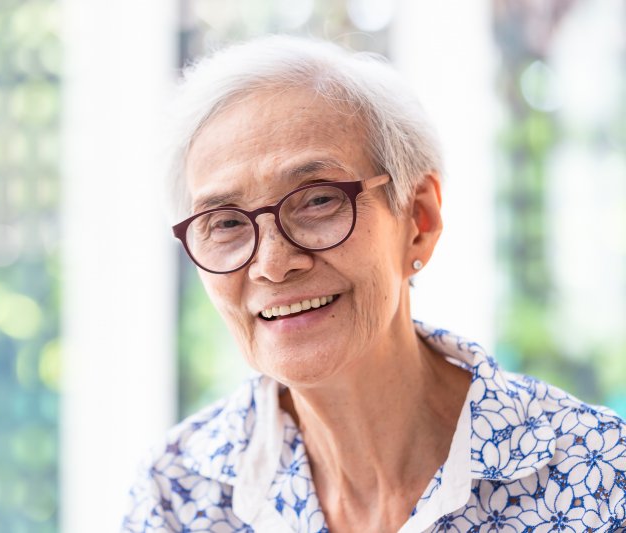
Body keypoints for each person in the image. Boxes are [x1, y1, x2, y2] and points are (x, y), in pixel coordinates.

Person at [122, 35, 626, 532]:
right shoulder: (178, 492)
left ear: (419, 220)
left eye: (318, 200)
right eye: (226, 224)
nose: (273, 264)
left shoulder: (602, 477)